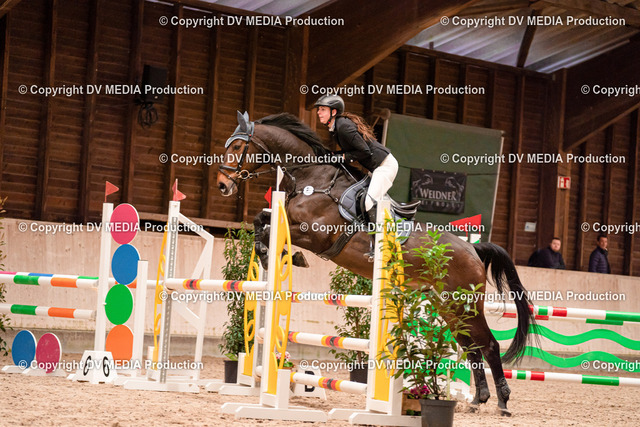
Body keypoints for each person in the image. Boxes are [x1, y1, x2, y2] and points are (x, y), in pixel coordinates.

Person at [314, 94, 399, 258]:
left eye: (322, 109)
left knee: (369, 201)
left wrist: (340, 157)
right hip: (376, 167)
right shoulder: (337, 128)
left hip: (385, 166)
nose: (319, 112)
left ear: (333, 112)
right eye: (319, 109)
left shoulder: (343, 126)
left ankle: (380, 246)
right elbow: (351, 152)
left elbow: (364, 151)